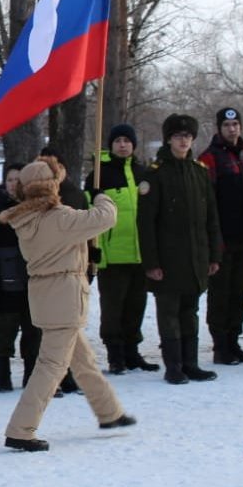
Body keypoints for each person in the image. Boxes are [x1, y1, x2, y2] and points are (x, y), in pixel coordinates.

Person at [0, 157, 134, 452]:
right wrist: (100, 195)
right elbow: (106, 217)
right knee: (51, 366)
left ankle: (109, 412)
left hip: (46, 295)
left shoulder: (25, 219)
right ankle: (21, 429)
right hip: (65, 295)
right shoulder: (60, 217)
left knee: (82, 360)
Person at [137, 114, 222, 385]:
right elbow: (146, 223)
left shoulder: (199, 172)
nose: (183, 141)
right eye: (177, 136)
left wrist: (213, 255)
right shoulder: (156, 173)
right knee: (169, 312)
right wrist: (151, 262)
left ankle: (191, 363)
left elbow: (211, 217)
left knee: (190, 311)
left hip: (195, 257)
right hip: (168, 258)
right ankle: (173, 366)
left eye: (187, 136)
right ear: (168, 139)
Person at [84, 123, 156, 374]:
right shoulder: (98, 176)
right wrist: (95, 253)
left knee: (137, 305)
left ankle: (132, 352)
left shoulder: (144, 172)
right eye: (118, 141)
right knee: (113, 307)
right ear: (111, 145)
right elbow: (89, 217)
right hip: (112, 255)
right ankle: (115, 355)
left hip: (140, 253)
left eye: (127, 140)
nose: (123, 145)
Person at [197, 107, 243, 365]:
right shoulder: (209, 158)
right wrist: (214, 240)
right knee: (220, 295)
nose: (232, 130)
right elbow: (206, 202)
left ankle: (234, 341)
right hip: (223, 240)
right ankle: (220, 345)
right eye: (226, 126)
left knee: (239, 294)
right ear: (219, 129)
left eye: (235, 125)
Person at [0, 165, 39, 392]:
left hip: (32, 282)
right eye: (10, 179)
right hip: (6, 284)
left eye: (18, 179)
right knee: (5, 333)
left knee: (32, 332)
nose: (14, 183)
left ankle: (30, 374)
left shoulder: (35, 209)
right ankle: (3, 374)